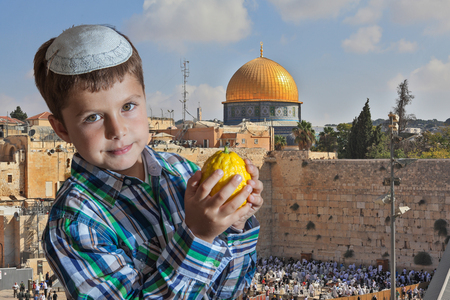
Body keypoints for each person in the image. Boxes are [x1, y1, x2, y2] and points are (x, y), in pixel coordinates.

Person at [34, 24, 263, 299]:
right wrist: (199, 238)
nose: (117, 130)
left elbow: (228, 293)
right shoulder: (76, 223)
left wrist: (235, 224)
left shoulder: (184, 173)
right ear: (61, 129)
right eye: (92, 117)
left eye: (128, 107)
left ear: (146, 99)